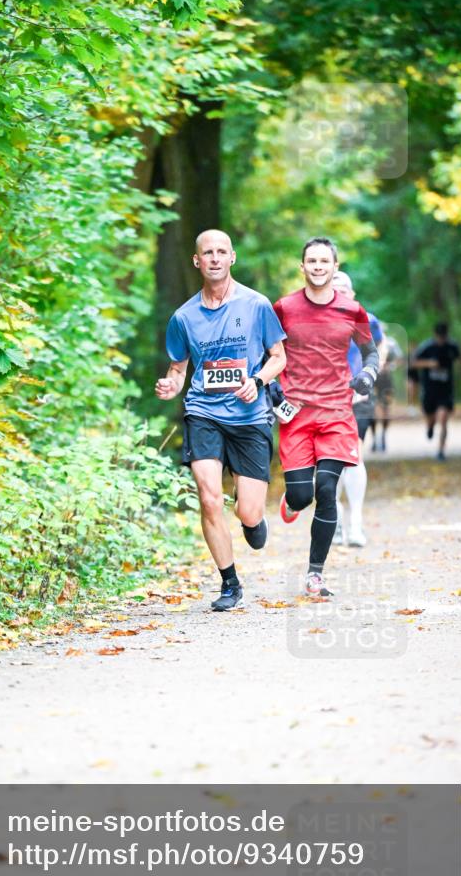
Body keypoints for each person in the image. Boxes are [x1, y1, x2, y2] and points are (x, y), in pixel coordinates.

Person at [156, 229, 286, 612]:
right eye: (206, 253)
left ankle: (250, 519)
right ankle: (230, 583)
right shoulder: (183, 317)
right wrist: (170, 384)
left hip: (249, 416)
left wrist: (258, 380)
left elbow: (278, 357)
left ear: (232, 258)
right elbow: (179, 370)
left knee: (247, 511)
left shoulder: (257, 305)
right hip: (203, 413)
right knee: (210, 498)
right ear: (197, 261)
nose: (214, 258)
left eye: (221, 252)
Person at [273, 238, 380, 596]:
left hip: (337, 412)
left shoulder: (352, 310)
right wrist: (270, 387)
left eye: (324, 261)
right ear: (302, 267)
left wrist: (367, 376)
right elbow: (266, 353)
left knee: (327, 489)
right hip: (296, 415)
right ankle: (292, 501)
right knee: (303, 495)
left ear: (335, 268)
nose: (318, 266)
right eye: (311, 261)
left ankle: (314, 574)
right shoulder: (284, 308)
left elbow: (370, 353)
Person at [330, 271, 383, 548]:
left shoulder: (367, 319)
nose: (338, 293)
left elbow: (378, 352)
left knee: (354, 455)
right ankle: (336, 519)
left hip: (359, 397)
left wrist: (367, 379)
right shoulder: (318, 319)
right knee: (328, 462)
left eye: (343, 290)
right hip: (326, 399)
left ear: (352, 295)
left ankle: (356, 523)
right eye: (333, 288)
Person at [410, 322, 461, 460]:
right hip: (429, 390)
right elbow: (414, 363)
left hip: (445, 390)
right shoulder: (427, 347)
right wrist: (429, 363)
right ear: (435, 335)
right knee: (431, 418)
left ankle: (441, 451)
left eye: (443, 337)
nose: (441, 340)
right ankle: (430, 426)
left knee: (443, 418)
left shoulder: (452, 347)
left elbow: (460, 360)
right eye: (439, 337)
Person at [370, 330, 403, 453]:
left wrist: (390, 366)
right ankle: (374, 439)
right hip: (371, 380)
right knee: (371, 410)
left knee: (385, 409)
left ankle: (383, 436)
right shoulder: (366, 343)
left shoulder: (390, 343)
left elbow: (399, 359)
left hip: (386, 380)